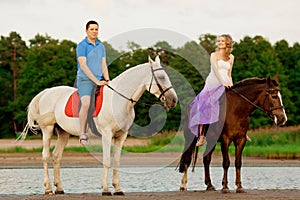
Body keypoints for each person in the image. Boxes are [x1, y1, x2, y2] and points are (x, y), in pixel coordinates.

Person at [188, 34, 251, 146]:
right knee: (203, 104)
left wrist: (230, 84)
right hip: (213, 82)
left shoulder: (231, 57)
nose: (219, 42)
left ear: (227, 43)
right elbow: (216, 71)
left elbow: (229, 73)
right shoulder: (214, 55)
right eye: (219, 41)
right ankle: (202, 136)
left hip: (226, 82)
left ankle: (243, 132)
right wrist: (222, 82)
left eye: (222, 41)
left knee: (239, 103)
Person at [76, 20, 109, 145]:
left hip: (99, 80)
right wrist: (96, 81)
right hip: (85, 80)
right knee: (86, 103)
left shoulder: (101, 46)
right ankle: (82, 133)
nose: (94, 31)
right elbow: (83, 66)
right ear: (86, 31)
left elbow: (103, 64)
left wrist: (107, 80)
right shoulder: (82, 45)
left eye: (96, 29)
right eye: (92, 29)